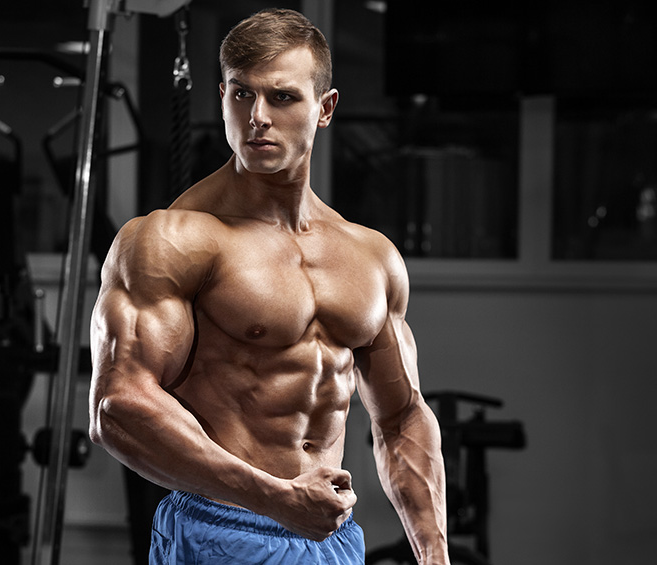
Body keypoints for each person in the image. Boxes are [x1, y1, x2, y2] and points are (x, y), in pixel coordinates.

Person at [88, 8, 449, 565]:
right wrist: (276, 498)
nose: (257, 117)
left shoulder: (371, 256)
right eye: (241, 95)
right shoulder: (173, 240)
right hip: (220, 528)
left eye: (281, 97)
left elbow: (402, 416)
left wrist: (433, 552)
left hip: (330, 534)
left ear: (324, 108)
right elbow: (118, 406)